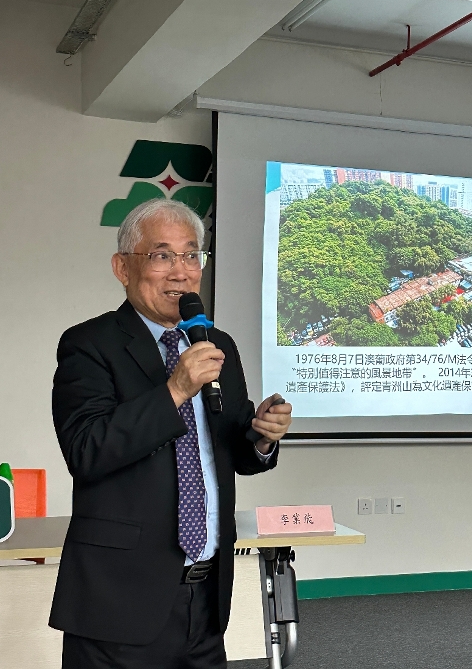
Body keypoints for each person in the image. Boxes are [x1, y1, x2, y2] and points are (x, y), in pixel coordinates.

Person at [50, 198, 292, 669]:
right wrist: (176, 389)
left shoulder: (217, 345)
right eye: (162, 255)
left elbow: (232, 450)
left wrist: (263, 437)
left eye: (191, 255)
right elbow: (87, 450)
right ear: (123, 267)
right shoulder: (89, 343)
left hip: (206, 596)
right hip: (119, 600)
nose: (180, 272)